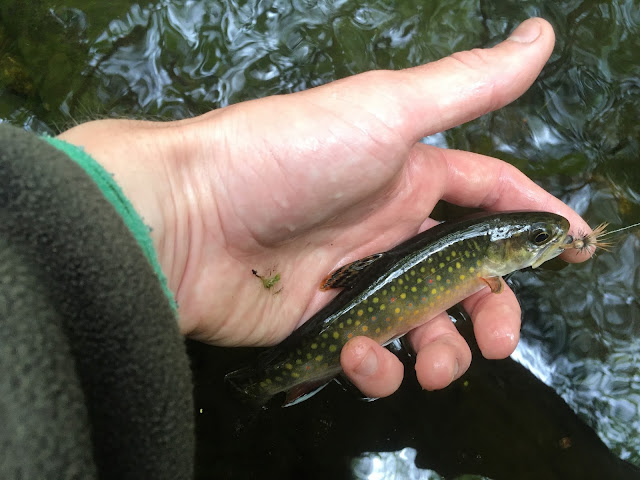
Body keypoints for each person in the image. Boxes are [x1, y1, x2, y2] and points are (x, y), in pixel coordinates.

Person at [0, 18, 592, 479]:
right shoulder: (480, 269)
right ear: (504, 255)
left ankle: (255, 388)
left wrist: (184, 204)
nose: (548, 241)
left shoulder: (480, 266)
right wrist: (185, 199)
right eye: (538, 239)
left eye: (540, 240)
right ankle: (254, 390)